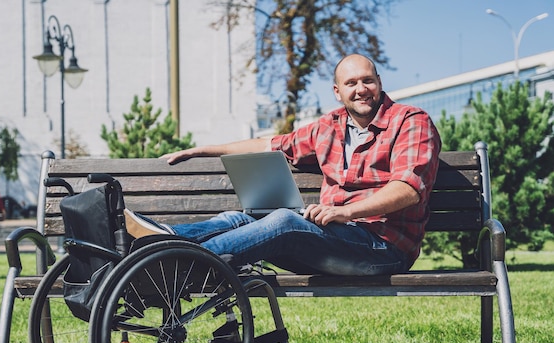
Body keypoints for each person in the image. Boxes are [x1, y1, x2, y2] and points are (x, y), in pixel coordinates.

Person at [125, 54, 441, 276]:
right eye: (351, 83)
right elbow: (268, 144)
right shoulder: (328, 127)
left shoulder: (410, 122)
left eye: (367, 81)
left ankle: (178, 267)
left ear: (379, 82)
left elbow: (408, 189)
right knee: (241, 217)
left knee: (283, 222)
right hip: (330, 239)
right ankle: (166, 240)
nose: (361, 89)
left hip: (382, 249)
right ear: (337, 91)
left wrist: (346, 212)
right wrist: (204, 150)